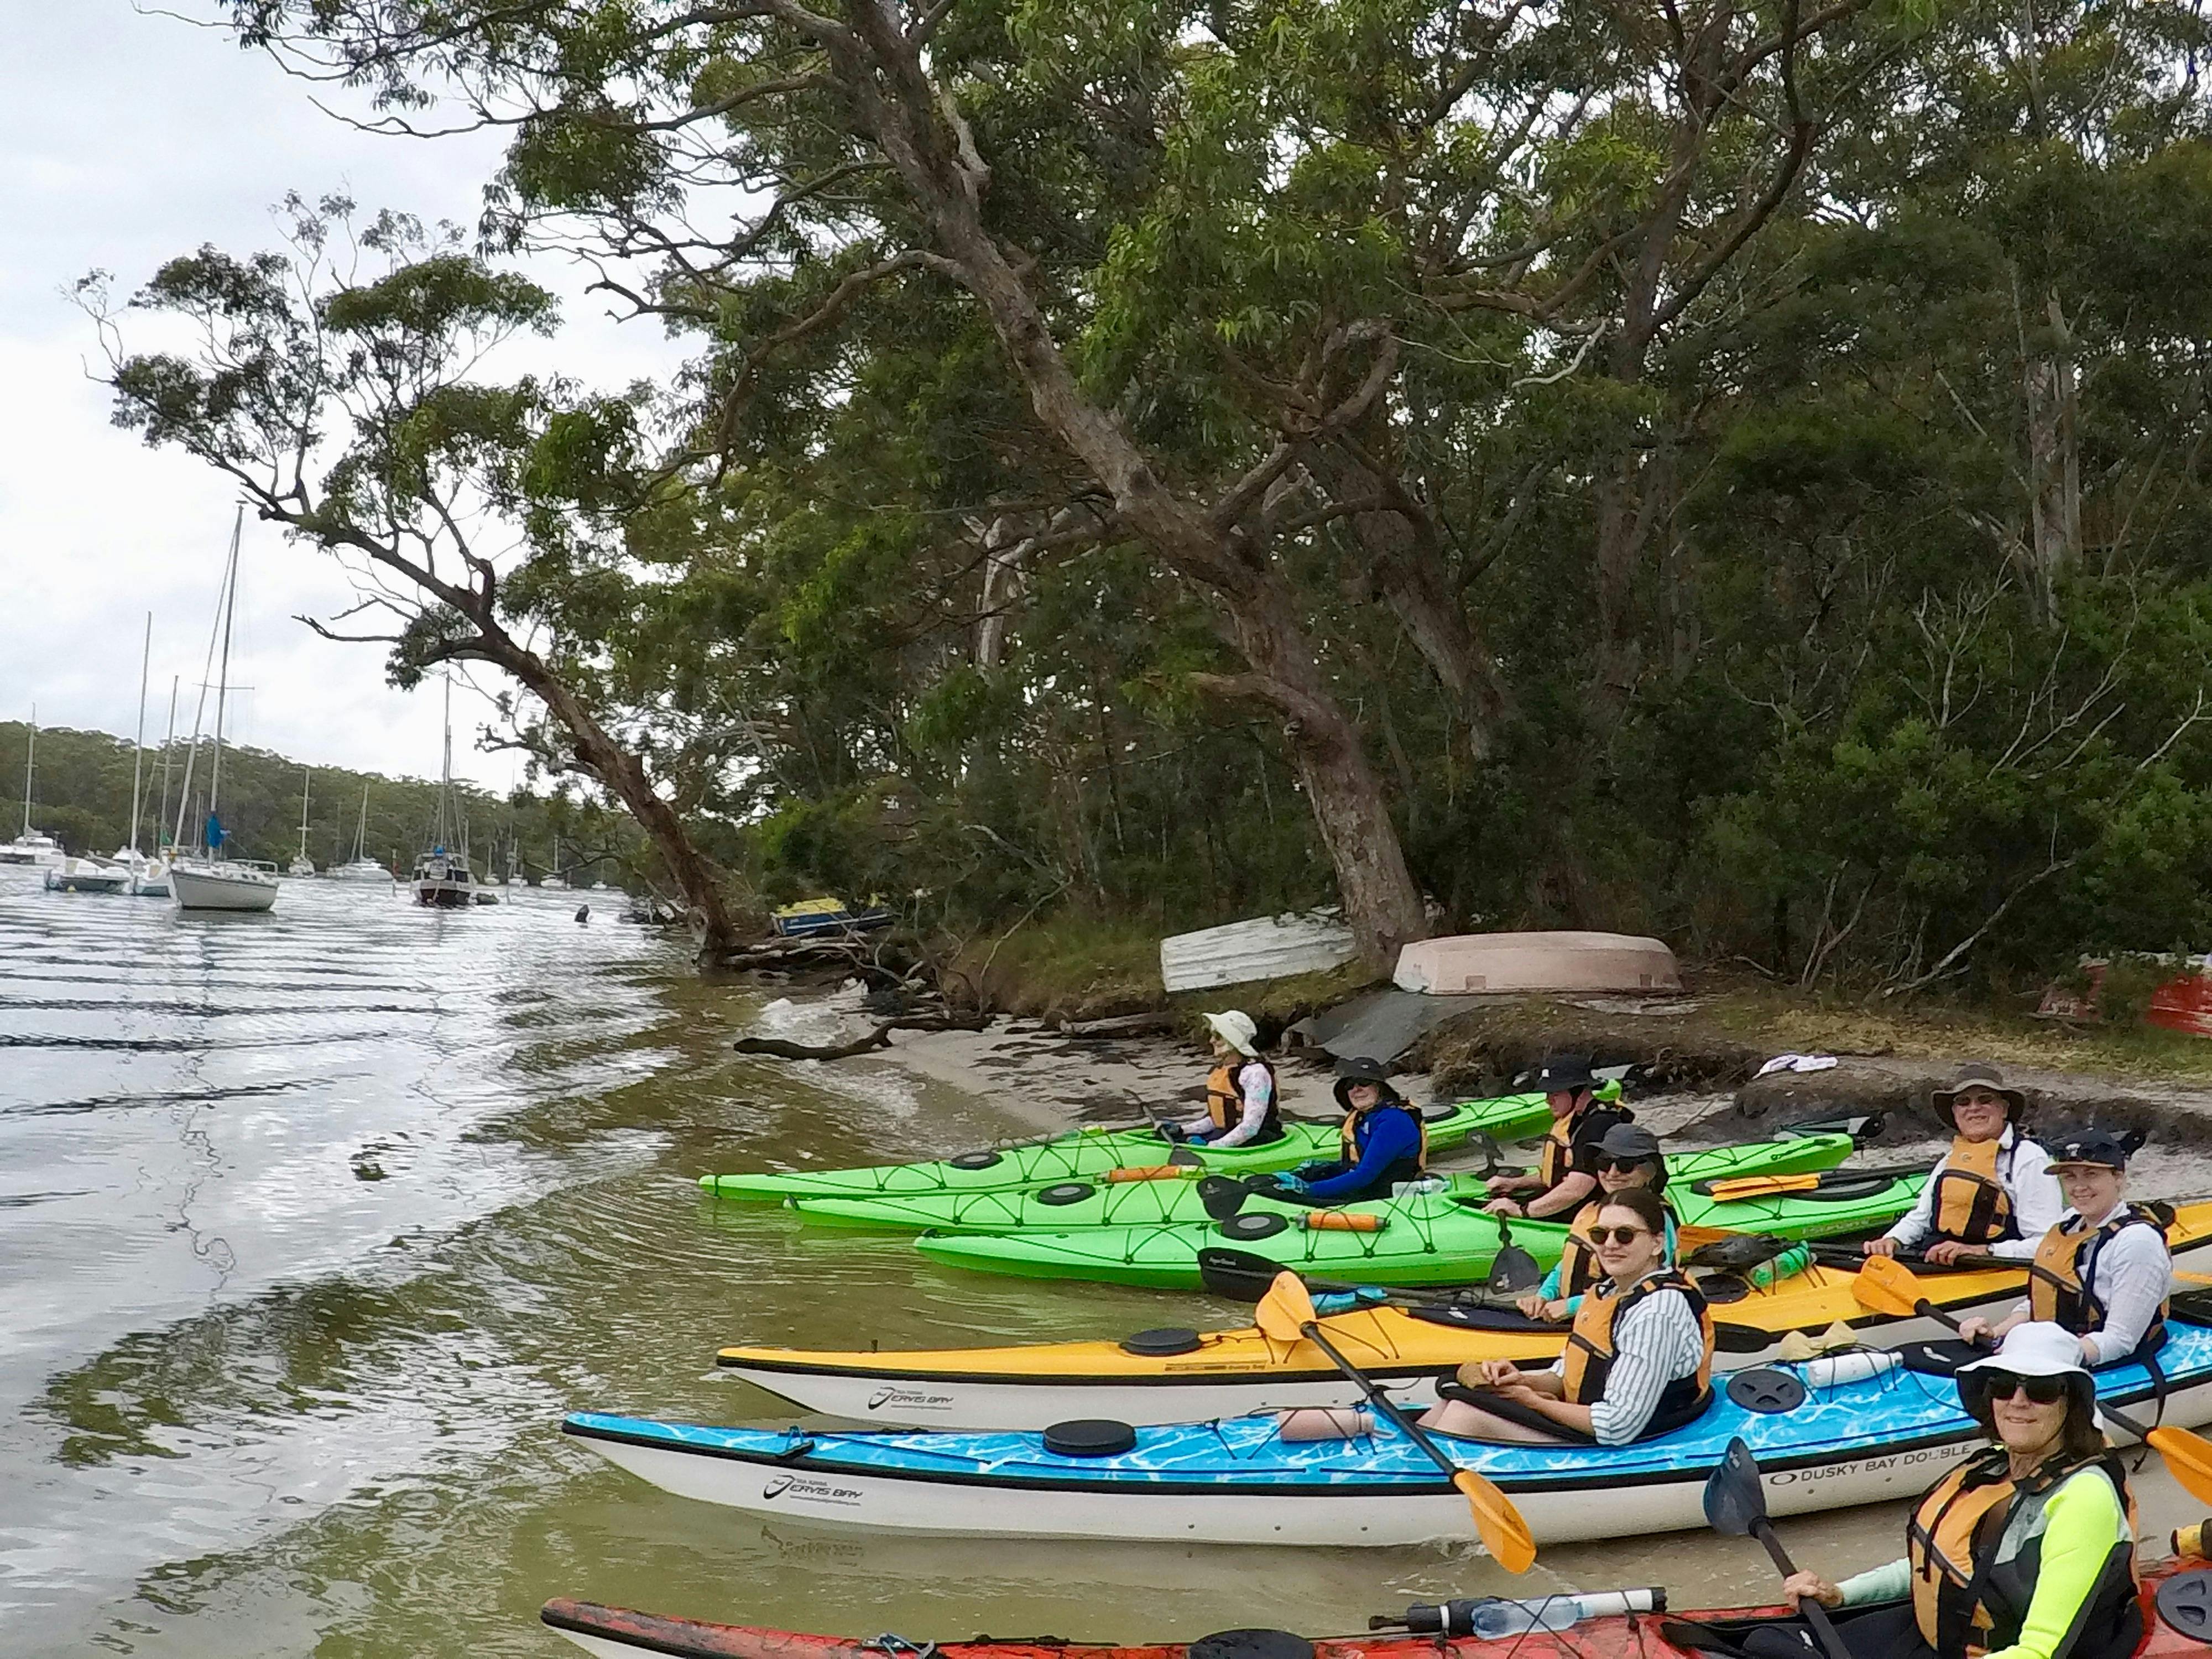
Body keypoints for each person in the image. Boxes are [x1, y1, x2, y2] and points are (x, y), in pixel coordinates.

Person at [1772, 1322, 2140, 1659]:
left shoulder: (2084, 1499)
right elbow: (1941, 1564)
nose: (2018, 1401)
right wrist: (1841, 1593)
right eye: (2003, 1385)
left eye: (2041, 1390)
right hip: (1950, 1638)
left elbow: (2039, 1652)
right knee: (1768, 1646)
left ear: (2071, 1404)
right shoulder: (1995, 1467)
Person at [1421, 1187, 1714, 1446]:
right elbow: (1563, 1376)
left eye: (1625, 1235)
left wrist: (1533, 1403)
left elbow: (1617, 1426)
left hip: (1628, 1439)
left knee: (1464, 1415)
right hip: (1585, 1418)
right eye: (1601, 1235)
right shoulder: (1607, 1292)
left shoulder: (1658, 1311)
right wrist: (1520, 1380)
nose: (1610, 1244)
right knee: (1455, 1396)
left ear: (1657, 1243)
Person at [1959, 1126, 2171, 1370]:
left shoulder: (2137, 1242)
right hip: (2058, 1347)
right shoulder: (2069, 1221)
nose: (2079, 1187)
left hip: (2106, 1356)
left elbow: (2120, 1340)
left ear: (2118, 1177)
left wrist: (2037, 1353)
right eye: (2070, 1177)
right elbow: (2043, 1301)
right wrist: (1998, 1332)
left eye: (2091, 1174)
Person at [1864, 1063, 2062, 1265]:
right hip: (1942, 1263)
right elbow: (1921, 1218)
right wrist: (1892, 1240)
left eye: (1985, 1099)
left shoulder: (2029, 1159)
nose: (1974, 1108)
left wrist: (1983, 1251)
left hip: (1996, 1268)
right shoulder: (1950, 1159)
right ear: (1955, 1113)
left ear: (2004, 1109)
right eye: (1963, 1102)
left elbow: (2047, 1242)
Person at [1516, 1122, 1677, 1317]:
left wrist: (1572, 1306)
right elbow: (1570, 1261)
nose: (1612, 1173)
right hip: (1577, 1317)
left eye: (1625, 1166)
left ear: (1649, 1172)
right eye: (1604, 1163)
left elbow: (1650, 1288)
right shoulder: (1595, 1210)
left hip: (1616, 1318)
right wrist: (1543, 1296)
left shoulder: (1659, 1218)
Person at [1482, 1054, 1633, 1221]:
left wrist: (1522, 1211)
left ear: (1578, 1091)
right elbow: (1560, 1175)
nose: (1548, 1101)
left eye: (1555, 1094)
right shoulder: (1577, 1118)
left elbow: (1576, 1189)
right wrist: (1516, 1183)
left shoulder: (1598, 1126)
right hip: (1573, 1203)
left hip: (1591, 1213)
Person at [1268, 1056, 1425, 1204]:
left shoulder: (1394, 1121)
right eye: (1350, 1086)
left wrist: (1309, 1189)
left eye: (1363, 1082)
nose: (1356, 1089)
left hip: (1385, 1199)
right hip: (1368, 1190)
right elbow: (1358, 1164)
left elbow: (1364, 1175)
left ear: (1379, 1088)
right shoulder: (1363, 1117)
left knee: (1284, 1197)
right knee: (1267, 1187)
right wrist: (1321, 1169)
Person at [1165, 1010, 1282, 1149]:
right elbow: (1218, 1120)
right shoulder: (1225, 1071)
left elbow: (1250, 1128)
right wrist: (1182, 1130)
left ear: (1234, 1040)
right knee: (1184, 1138)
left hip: (1258, 1139)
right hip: (1228, 1135)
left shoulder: (1255, 1073)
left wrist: (1212, 1147)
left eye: (1218, 1036)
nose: (1212, 1041)